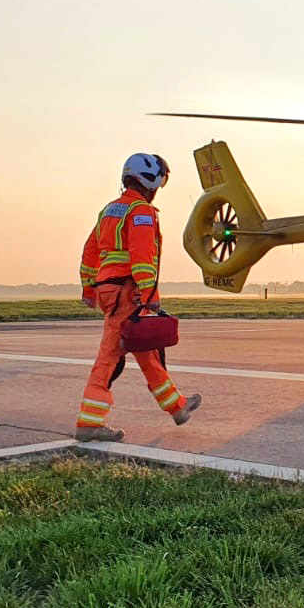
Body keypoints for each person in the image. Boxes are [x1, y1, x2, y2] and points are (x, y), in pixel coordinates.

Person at [76, 153, 200, 441]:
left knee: (146, 348)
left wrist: (88, 287)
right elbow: (142, 258)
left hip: (109, 289)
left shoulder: (110, 210)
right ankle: (89, 422)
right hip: (127, 291)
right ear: (150, 182)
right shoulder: (141, 212)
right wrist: (150, 294)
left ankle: (178, 407)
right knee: (109, 356)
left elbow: (89, 251)